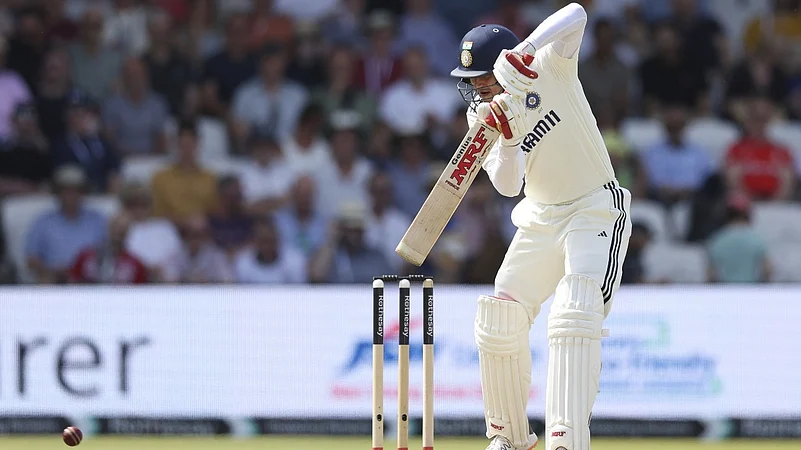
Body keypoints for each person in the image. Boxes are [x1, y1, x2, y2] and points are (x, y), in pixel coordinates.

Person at [449, 4, 632, 449]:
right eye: (470, 84)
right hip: (540, 218)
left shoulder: (550, 65)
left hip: (594, 209)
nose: (477, 92)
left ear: (505, 66)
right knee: (499, 315)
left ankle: (566, 440)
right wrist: (508, 140)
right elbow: (509, 186)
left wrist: (526, 50)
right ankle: (510, 439)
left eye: (483, 80)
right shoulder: (482, 118)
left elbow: (577, 14)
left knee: (574, 310)